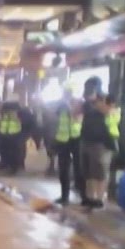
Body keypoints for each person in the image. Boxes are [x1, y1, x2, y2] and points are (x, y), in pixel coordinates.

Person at [77, 79, 114, 209]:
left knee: (100, 172)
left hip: (101, 142)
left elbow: (109, 111)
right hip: (86, 139)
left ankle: (100, 198)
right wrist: (80, 103)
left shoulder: (105, 98)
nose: (88, 91)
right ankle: (90, 197)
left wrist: (96, 101)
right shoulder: (86, 103)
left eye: (91, 88)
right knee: (88, 172)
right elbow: (76, 115)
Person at [50, 92, 81, 204]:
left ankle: (82, 195)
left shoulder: (79, 106)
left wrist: (73, 108)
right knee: (63, 170)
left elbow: (78, 119)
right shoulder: (61, 107)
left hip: (76, 140)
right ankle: (64, 196)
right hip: (63, 141)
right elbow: (53, 118)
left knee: (79, 169)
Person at [0, 99, 27, 172]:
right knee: (5, 152)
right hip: (5, 135)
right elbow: (0, 125)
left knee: (14, 153)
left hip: (15, 136)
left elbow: (24, 125)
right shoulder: (4, 115)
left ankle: (13, 167)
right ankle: (7, 165)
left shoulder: (20, 114)